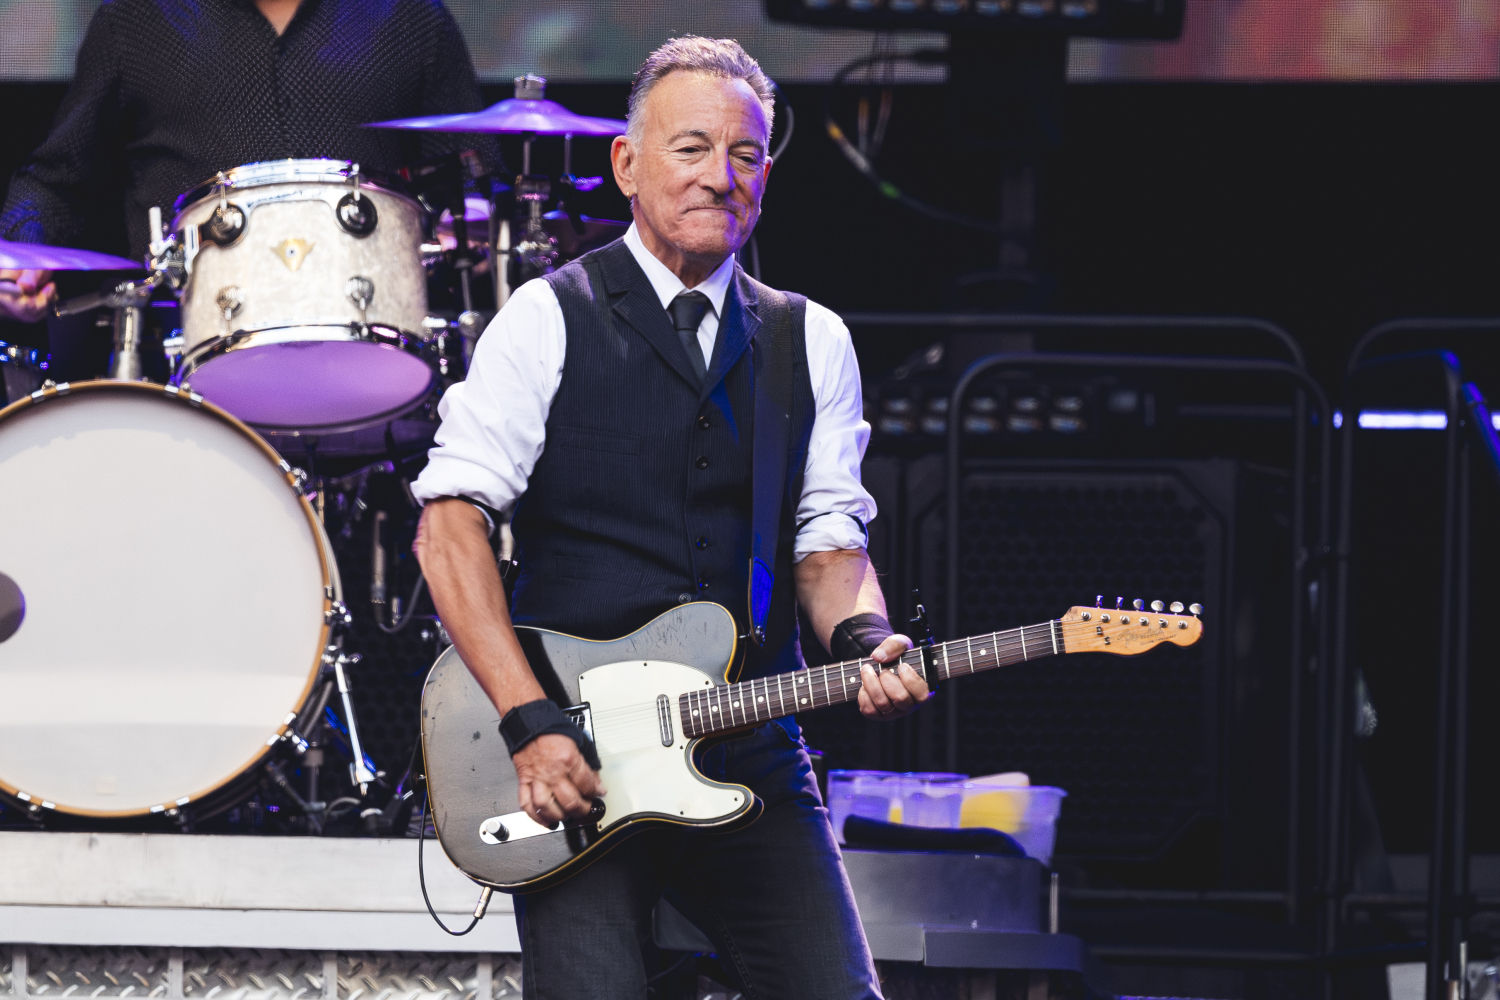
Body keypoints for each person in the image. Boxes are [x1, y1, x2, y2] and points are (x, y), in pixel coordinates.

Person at [412, 35, 929, 1000]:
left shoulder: (808, 338)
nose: (719, 177)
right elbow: (449, 527)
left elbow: (828, 544)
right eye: (690, 149)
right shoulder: (547, 314)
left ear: (766, 177)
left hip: (749, 739)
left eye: (744, 155)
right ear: (628, 165)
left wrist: (866, 638)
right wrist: (530, 721)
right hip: (574, 752)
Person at [0, 0, 493, 371]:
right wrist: (21, 255)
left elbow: (474, 181)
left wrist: (470, 222)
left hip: (376, 347)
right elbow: (54, 181)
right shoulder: (137, 18)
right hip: (186, 357)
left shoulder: (409, 17)